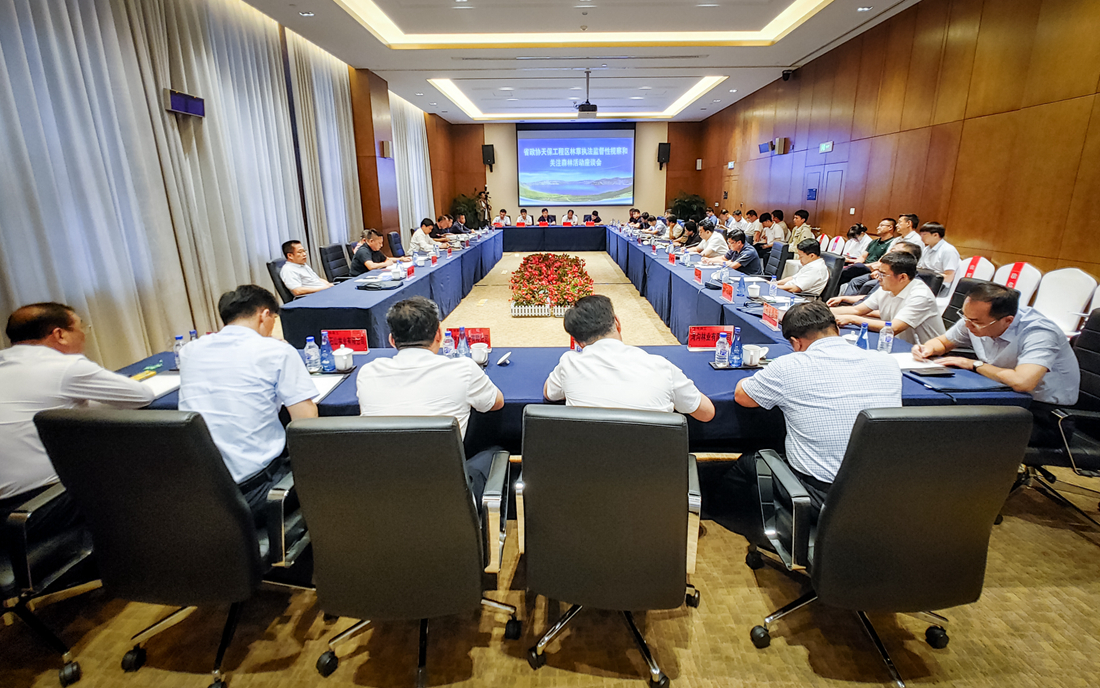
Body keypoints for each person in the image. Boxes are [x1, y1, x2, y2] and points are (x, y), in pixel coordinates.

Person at [714, 302, 901, 534]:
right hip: (885, 492)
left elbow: (743, 396)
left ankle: (728, 518)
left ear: (796, 343)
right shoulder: (887, 362)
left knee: (749, 462)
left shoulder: (789, 366)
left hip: (822, 495)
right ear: (837, 329)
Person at [0, 303, 156, 541]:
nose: (84, 335)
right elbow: (141, 395)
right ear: (59, 334)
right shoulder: (63, 366)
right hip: (35, 508)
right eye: (81, 328)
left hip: (12, 514)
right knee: (136, 468)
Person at [179, 285, 319, 518]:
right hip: (257, 493)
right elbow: (306, 424)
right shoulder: (276, 352)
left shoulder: (189, 351)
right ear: (264, 315)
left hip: (200, 494)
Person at [356, 297, 504, 503]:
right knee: (495, 452)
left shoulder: (367, 372)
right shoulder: (463, 368)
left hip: (382, 494)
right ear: (439, 335)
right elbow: (496, 403)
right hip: (448, 496)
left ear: (391, 340)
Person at [912, 283, 1080, 447]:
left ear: (1008, 321)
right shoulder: (975, 319)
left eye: (975, 322)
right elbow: (943, 342)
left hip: (1045, 416)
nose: (967, 325)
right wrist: (927, 349)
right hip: (1003, 398)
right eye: (965, 317)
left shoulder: (1039, 333)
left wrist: (974, 364)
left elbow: (1023, 382)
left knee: (953, 428)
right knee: (935, 415)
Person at [544, 295, 715, 421]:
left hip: (587, 459)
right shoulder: (661, 367)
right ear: (617, 323)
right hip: (653, 460)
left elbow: (549, 394)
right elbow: (707, 413)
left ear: (577, 342)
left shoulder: (569, 363)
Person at [829, 251, 945, 345]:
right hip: (893, 342)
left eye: (883, 274)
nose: (878, 277)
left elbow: (894, 328)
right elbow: (857, 310)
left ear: (902, 277)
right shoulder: (887, 287)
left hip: (925, 353)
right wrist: (823, 310)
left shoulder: (921, 296)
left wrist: (852, 319)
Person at [836, 239, 922, 298]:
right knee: (855, 279)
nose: (890, 252)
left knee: (867, 284)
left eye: (893, 251)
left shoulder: (919, 293)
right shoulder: (876, 243)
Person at [839, 218, 899, 285]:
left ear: (890, 227)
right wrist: (855, 265)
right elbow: (863, 257)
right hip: (863, 267)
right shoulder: (874, 242)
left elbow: (881, 262)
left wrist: (862, 266)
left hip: (873, 268)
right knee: (839, 272)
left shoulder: (892, 244)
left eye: (881, 225)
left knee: (844, 274)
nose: (878, 228)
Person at [917, 222, 961, 294]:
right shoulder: (926, 249)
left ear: (935, 235)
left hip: (939, 285)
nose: (921, 237)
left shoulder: (948, 250)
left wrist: (928, 277)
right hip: (924, 281)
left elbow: (949, 277)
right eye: (920, 234)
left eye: (924, 234)